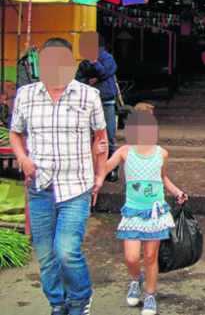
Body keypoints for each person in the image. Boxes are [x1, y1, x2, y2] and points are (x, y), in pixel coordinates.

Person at [9, 37, 108, 315]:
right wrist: (22, 158)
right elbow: (15, 133)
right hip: (40, 188)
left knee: (66, 251)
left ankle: (80, 299)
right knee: (46, 257)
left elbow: (101, 138)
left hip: (76, 187)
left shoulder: (89, 96)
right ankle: (58, 304)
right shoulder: (26, 95)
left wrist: (99, 176)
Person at [97, 109, 187, 315]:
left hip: (155, 213)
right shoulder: (124, 152)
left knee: (150, 256)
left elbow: (163, 178)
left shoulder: (162, 153)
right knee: (130, 257)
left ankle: (150, 295)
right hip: (132, 213)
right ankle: (136, 281)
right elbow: (103, 169)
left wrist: (177, 192)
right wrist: (99, 152)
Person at [76, 33, 120, 182]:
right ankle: (94, 168)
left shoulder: (107, 58)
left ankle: (112, 169)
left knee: (109, 134)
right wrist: (89, 79)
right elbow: (78, 78)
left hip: (106, 100)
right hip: (88, 102)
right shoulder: (84, 61)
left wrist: (94, 62)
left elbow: (106, 72)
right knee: (89, 136)